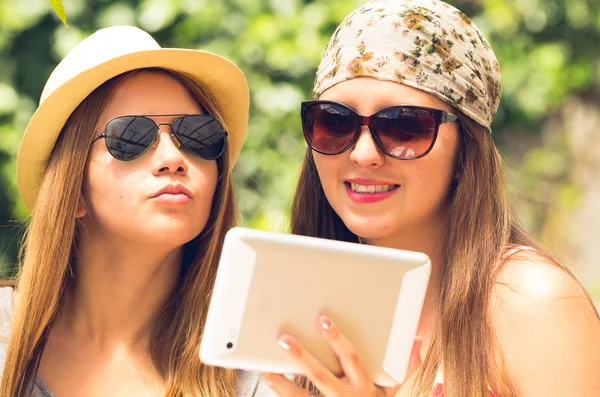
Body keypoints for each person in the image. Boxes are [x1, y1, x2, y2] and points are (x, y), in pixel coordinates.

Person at [263, 0, 600, 396]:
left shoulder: (531, 300)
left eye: (405, 127)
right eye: (335, 121)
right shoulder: (301, 303)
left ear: (464, 153)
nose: (363, 154)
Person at [0, 25, 273, 397]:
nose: (173, 158)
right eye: (131, 137)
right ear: (73, 191)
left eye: (197, 135)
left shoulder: (260, 370)